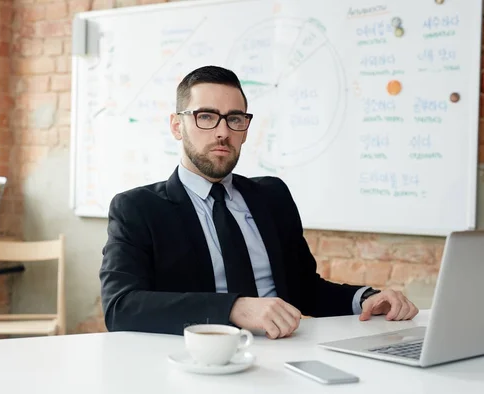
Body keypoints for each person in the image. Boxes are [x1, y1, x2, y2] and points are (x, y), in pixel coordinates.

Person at [99, 65, 419, 339]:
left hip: (284, 354)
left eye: (235, 119)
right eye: (206, 117)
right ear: (176, 126)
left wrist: (365, 298)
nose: (223, 132)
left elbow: (304, 289)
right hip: (198, 362)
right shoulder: (138, 208)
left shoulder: (271, 196)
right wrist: (234, 308)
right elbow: (121, 308)